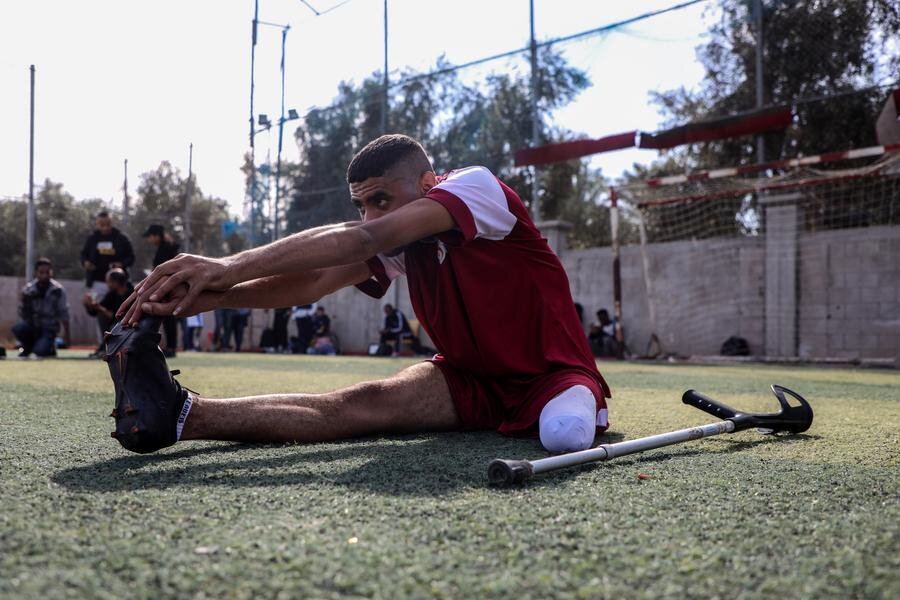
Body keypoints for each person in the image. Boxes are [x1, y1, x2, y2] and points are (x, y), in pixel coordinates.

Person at [112, 134, 610, 456]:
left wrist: (226, 265)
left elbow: (364, 237)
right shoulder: (405, 241)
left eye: (381, 199)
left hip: (551, 375)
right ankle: (180, 416)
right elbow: (313, 281)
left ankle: (580, 397)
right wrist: (214, 295)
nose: (370, 214)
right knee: (361, 403)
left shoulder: (476, 187)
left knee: (563, 435)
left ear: (428, 183)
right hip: (468, 378)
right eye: (362, 204)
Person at [12, 257, 70, 358]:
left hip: (49, 328)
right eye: (41, 272)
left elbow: (64, 313)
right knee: (18, 328)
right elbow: (22, 313)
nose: (45, 275)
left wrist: (67, 336)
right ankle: (27, 346)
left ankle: (49, 347)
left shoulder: (58, 290)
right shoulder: (28, 289)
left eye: (48, 272)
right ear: (36, 273)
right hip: (33, 327)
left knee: (40, 351)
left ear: (51, 272)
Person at [143, 224, 180, 357]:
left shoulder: (165, 248)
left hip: (167, 286)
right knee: (168, 318)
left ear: (156, 236)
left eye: (150, 236)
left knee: (169, 318)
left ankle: (171, 348)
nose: (149, 240)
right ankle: (170, 347)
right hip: (168, 285)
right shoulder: (166, 246)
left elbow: (163, 269)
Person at [80, 211, 134, 297]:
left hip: (118, 283)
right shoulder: (92, 238)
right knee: (94, 303)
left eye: (108, 224)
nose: (105, 228)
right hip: (97, 281)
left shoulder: (122, 238)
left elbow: (131, 257)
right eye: (102, 225)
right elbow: (83, 255)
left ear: (112, 222)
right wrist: (86, 262)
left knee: (119, 305)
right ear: (97, 224)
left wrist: (122, 264)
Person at [82, 268, 134, 358]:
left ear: (115, 282)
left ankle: (106, 349)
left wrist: (100, 308)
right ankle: (104, 348)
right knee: (102, 316)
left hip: (131, 325)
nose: (107, 284)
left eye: (108, 281)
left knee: (113, 325)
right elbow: (97, 311)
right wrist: (89, 305)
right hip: (116, 324)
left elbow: (118, 316)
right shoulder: (112, 294)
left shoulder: (133, 293)